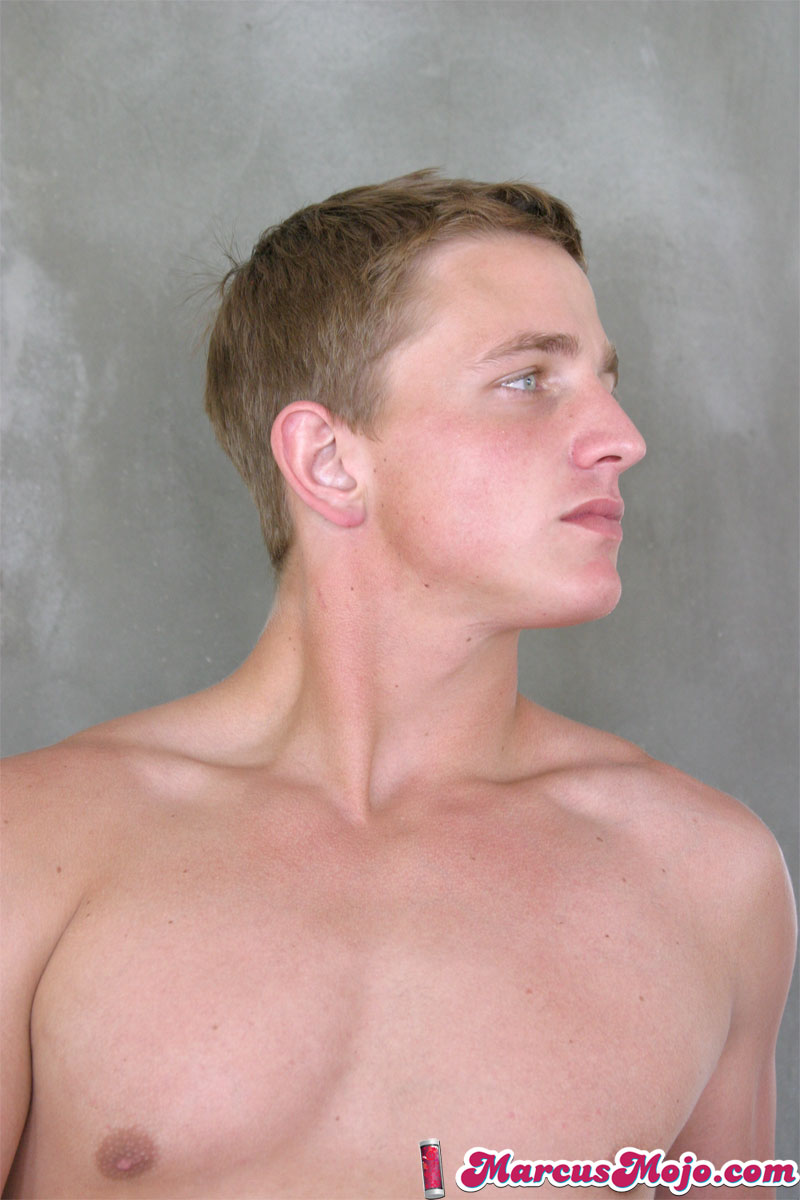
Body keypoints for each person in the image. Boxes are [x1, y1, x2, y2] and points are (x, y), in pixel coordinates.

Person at [2, 171, 796, 1199]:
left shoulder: (708, 878)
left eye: (605, 379)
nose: (623, 437)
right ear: (328, 460)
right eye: (528, 379)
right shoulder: (35, 846)